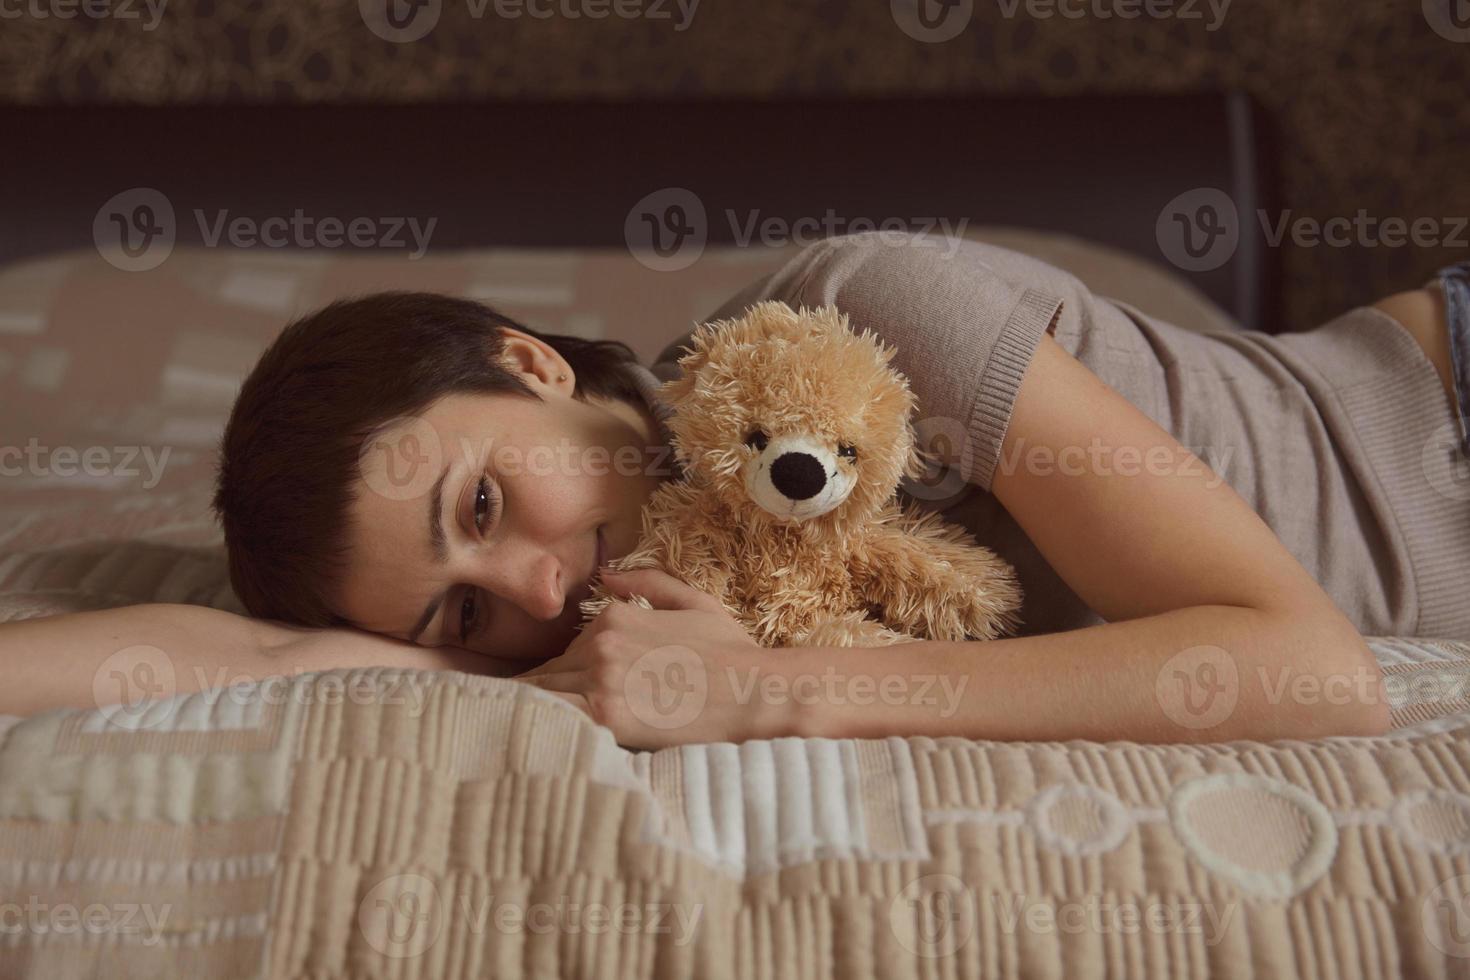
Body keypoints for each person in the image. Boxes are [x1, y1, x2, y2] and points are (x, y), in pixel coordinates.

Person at [6, 234, 1467, 746]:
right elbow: (257, 657)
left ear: (529, 365)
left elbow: (1310, 670)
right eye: (452, 619)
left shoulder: (858, 320)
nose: (530, 591)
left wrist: (773, 696)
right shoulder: (600, 635)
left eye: (476, 505)